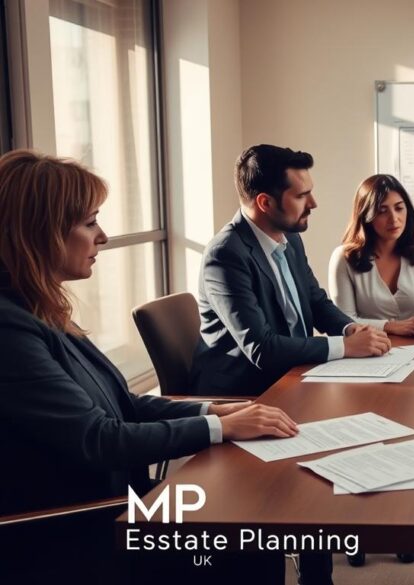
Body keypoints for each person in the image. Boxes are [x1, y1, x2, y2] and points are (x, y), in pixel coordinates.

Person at [0, 150, 297, 584]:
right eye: (89, 222)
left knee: (255, 517)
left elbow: (123, 405)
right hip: (75, 530)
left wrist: (214, 413)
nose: (102, 236)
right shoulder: (10, 329)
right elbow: (98, 439)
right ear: (39, 234)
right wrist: (220, 430)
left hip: (120, 505)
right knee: (250, 538)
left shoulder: (44, 309)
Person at [190, 144, 391, 397]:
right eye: (301, 196)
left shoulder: (290, 239)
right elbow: (261, 348)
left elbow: (315, 301)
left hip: (294, 376)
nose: (313, 204)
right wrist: (344, 346)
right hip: (245, 394)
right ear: (265, 202)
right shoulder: (225, 255)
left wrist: (350, 330)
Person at [328, 174, 414, 336]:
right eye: (382, 211)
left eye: (399, 208)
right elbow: (344, 320)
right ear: (366, 217)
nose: (394, 219)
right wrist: (390, 326)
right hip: (366, 347)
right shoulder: (344, 257)